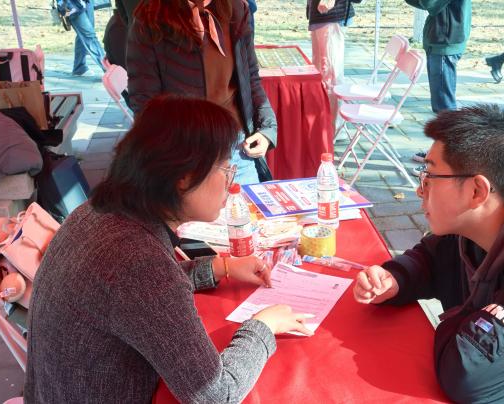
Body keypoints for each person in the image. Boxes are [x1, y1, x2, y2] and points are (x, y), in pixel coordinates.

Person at [24, 95, 313, 402]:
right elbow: (216, 394)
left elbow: (134, 294)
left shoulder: (97, 212)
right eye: (224, 168)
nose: (230, 182)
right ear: (183, 178)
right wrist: (263, 326)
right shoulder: (136, 260)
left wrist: (220, 267)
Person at [353, 104, 504, 403]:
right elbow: (431, 258)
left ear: (477, 191)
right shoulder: (490, 219)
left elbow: (471, 376)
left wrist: (462, 318)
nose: (420, 190)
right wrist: (395, 279)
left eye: (429, 176)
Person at [127, 0, 276, 185]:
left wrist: (267, 128)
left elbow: (251, 77)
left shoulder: (236, 9)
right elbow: (144, 101)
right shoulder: (150, 18)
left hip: (237, 151)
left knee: (246, 204)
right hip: (183, 155)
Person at [404, 0, 471, 114]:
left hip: (445, 40)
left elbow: (428, 3)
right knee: (441, 103)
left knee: (444, 107)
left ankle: (449, 124)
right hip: (442, 37)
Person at [307, 0, 361, 127]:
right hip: (320, 17)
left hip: (331, 17)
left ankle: (333, 128)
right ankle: (325, 125)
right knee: (322, 74)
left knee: (330, 76)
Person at [56, 0, 106, 76]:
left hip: (87, 2)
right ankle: (108, 68)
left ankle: (79, 68)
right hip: (71, 4)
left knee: (84, 34)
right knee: (89, 36)